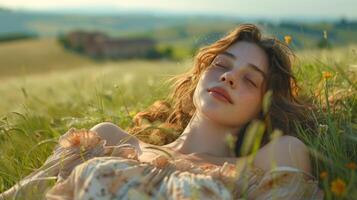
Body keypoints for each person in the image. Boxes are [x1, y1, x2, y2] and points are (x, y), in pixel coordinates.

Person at [0, 23, 324, 199]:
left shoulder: (268, 163)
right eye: (221, 65)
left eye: (250, 80)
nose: (229, 77)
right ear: (198, 76)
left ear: (262, 108)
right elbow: (22, 194)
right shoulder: (106, 139)